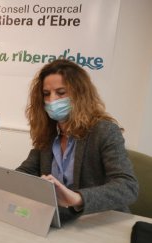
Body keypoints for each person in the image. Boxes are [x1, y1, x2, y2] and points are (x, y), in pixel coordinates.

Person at [15, 59, 138, 219]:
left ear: (80, 94)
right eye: (46, 94)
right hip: (60, 218)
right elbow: (27, 171)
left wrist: (78, 198)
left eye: (61, 92)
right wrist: (0, 183)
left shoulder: (104, 131)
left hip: (98, 220)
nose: (52, 100)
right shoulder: (49, 132)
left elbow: (128, 187)